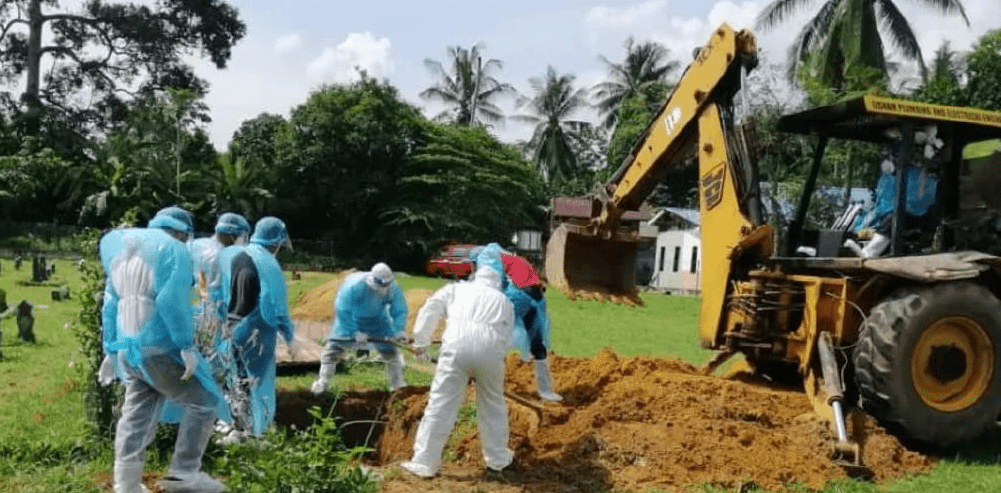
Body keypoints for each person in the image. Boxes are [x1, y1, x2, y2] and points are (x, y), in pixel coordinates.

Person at [97, 206, 231, 493]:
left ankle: (126, 484)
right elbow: (171, 301)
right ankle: (184, 474)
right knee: (204, 400)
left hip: (128, 350)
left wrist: (109, 349)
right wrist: (186, 346)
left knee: (136, 414)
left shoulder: (124, 254)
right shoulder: (173, 250)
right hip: (160, 346)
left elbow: (109, 304)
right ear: (181, 232)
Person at [400, 264, 515, 478]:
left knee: (441, 402)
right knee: (493, 404)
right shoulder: (504, 301)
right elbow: (507, 339)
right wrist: (485, 361)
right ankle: (498, 461)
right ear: (498, 283)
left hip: (456, 346)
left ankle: (424, 463)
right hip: (490, 350)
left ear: (475, 277)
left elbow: (431, 307)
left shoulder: (455, 289)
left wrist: (422, 340)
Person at [216, 216, 297, 438]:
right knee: (260, 383)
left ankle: (234, 427)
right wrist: (289, 336)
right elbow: (278, 306)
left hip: (233, 327)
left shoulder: (235, 253)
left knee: (236, 377)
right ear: (276, 241)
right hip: (257, 327)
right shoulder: (269, 262)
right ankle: (257, 434)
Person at [473, 243, 562, 402]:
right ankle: (546, 391)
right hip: (536, 299)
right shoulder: (518, 260)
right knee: (537, 345)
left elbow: (493, 288)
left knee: (493, 334)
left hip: (520, 296)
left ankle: (481, 376)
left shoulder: (496, 261)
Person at [311, 262, 408, 394]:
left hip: (378, 321)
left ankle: (397, 386)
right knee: (332, 351)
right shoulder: (354, 286)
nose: (384, 288)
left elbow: (399, 309)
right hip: (351, 321)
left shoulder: (392, 287)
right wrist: (354, 332)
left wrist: (399, 330)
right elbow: (342, 309)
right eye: (382, 285)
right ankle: (323, 383)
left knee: (391, 352)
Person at [189, 212, 252, 324]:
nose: (242, 241)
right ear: (231, 234)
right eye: (241, 236)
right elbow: (218, 293)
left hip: (201, 309)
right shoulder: (222, 256)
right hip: (217, 314)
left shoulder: (197, 245)